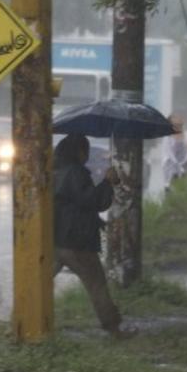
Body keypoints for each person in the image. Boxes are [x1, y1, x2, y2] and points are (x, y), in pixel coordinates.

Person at [53, 134, 136, 338]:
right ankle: (114, 328)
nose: (87, 155)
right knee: (97, 284)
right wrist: (108, 183)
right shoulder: (76, 172)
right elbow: (93, 201)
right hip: (77, 242)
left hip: (57, 240)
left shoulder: (57, 171)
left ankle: (21, 319)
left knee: (40, 281)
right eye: (85, 150)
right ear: (79, 152)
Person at [162, 114, 187, 188]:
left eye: (180, 124)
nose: (179, 126)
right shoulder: (168, 139)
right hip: (172, 173)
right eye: (176, 124)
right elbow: (167, 157)